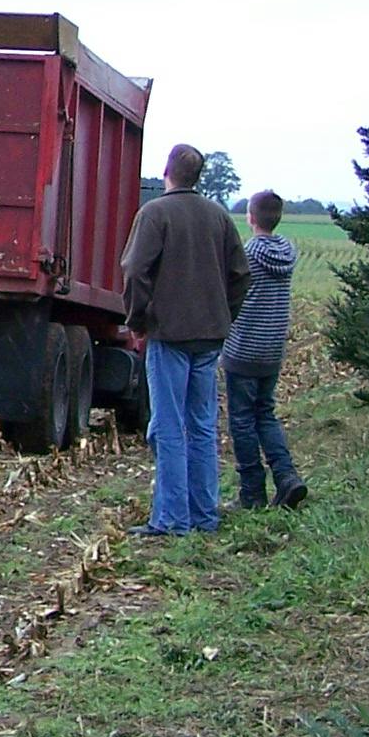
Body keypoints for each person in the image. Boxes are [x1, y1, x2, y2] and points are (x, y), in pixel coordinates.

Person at [119, 143, 251, 536]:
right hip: (210, 338)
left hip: (170, 335)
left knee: (169, 427)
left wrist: (137, 320)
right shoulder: (218, 216)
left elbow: (134, 271)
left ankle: (172, 519)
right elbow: (241, 275)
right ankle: (204, 515)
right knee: (203, 424)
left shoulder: (155, 213)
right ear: (199, 176)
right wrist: (224, 313)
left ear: (167, 173)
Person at [222, 190, 308, 509]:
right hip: (272, 349)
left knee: (242, 421)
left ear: (251, 218)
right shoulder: (288, 252)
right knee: (265, 414)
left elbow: (230, 293)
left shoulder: (247, 254)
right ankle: (287, 477)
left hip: (243, 348)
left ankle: (252, 493)